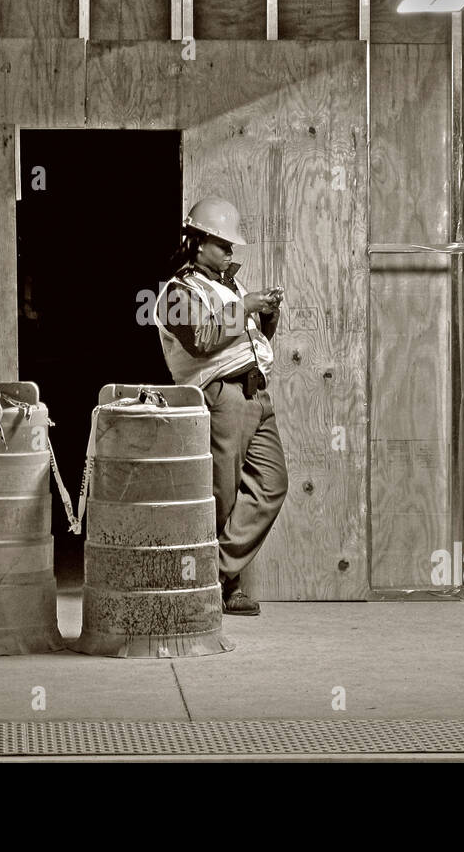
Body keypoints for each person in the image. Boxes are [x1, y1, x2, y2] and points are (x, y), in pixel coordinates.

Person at [153, 196, 288, 616]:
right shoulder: (177, 291)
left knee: (272, 483)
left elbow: (248, 340)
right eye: (224, 244)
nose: (231, 251)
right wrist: (245, 307)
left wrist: (264, 314)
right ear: (197, 242)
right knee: (223, 495)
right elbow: (200, 340)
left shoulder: (230, 287)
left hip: (255, 394)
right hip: (221, 395)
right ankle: (225, 589)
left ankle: (214, 572)